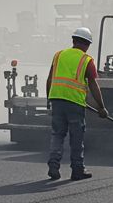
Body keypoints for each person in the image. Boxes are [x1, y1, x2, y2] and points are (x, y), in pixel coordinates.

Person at [46, 27, 108, 181]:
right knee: (76, 137)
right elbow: (93, 85)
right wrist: (101, 107)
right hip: (74, 103)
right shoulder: (86, 60)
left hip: (57, 100)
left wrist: (49, 99)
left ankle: (53, 165)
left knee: (57, 135)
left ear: (73, 40)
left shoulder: (58, 55)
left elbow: (49, 79)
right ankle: (77, 170)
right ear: (87, 44)